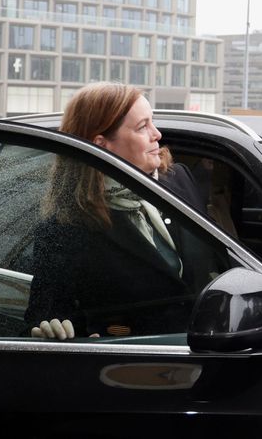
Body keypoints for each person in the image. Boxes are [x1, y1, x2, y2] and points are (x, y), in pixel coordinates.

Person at [25, 82, 202, 340]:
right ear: (101, 145)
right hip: (138, 366)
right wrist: (58, 332)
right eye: (143, 127)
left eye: (152, 122)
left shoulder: (178, 179)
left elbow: (223, 253)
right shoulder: (65, 227)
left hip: (213, 350)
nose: (157, 134)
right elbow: (45, 314)